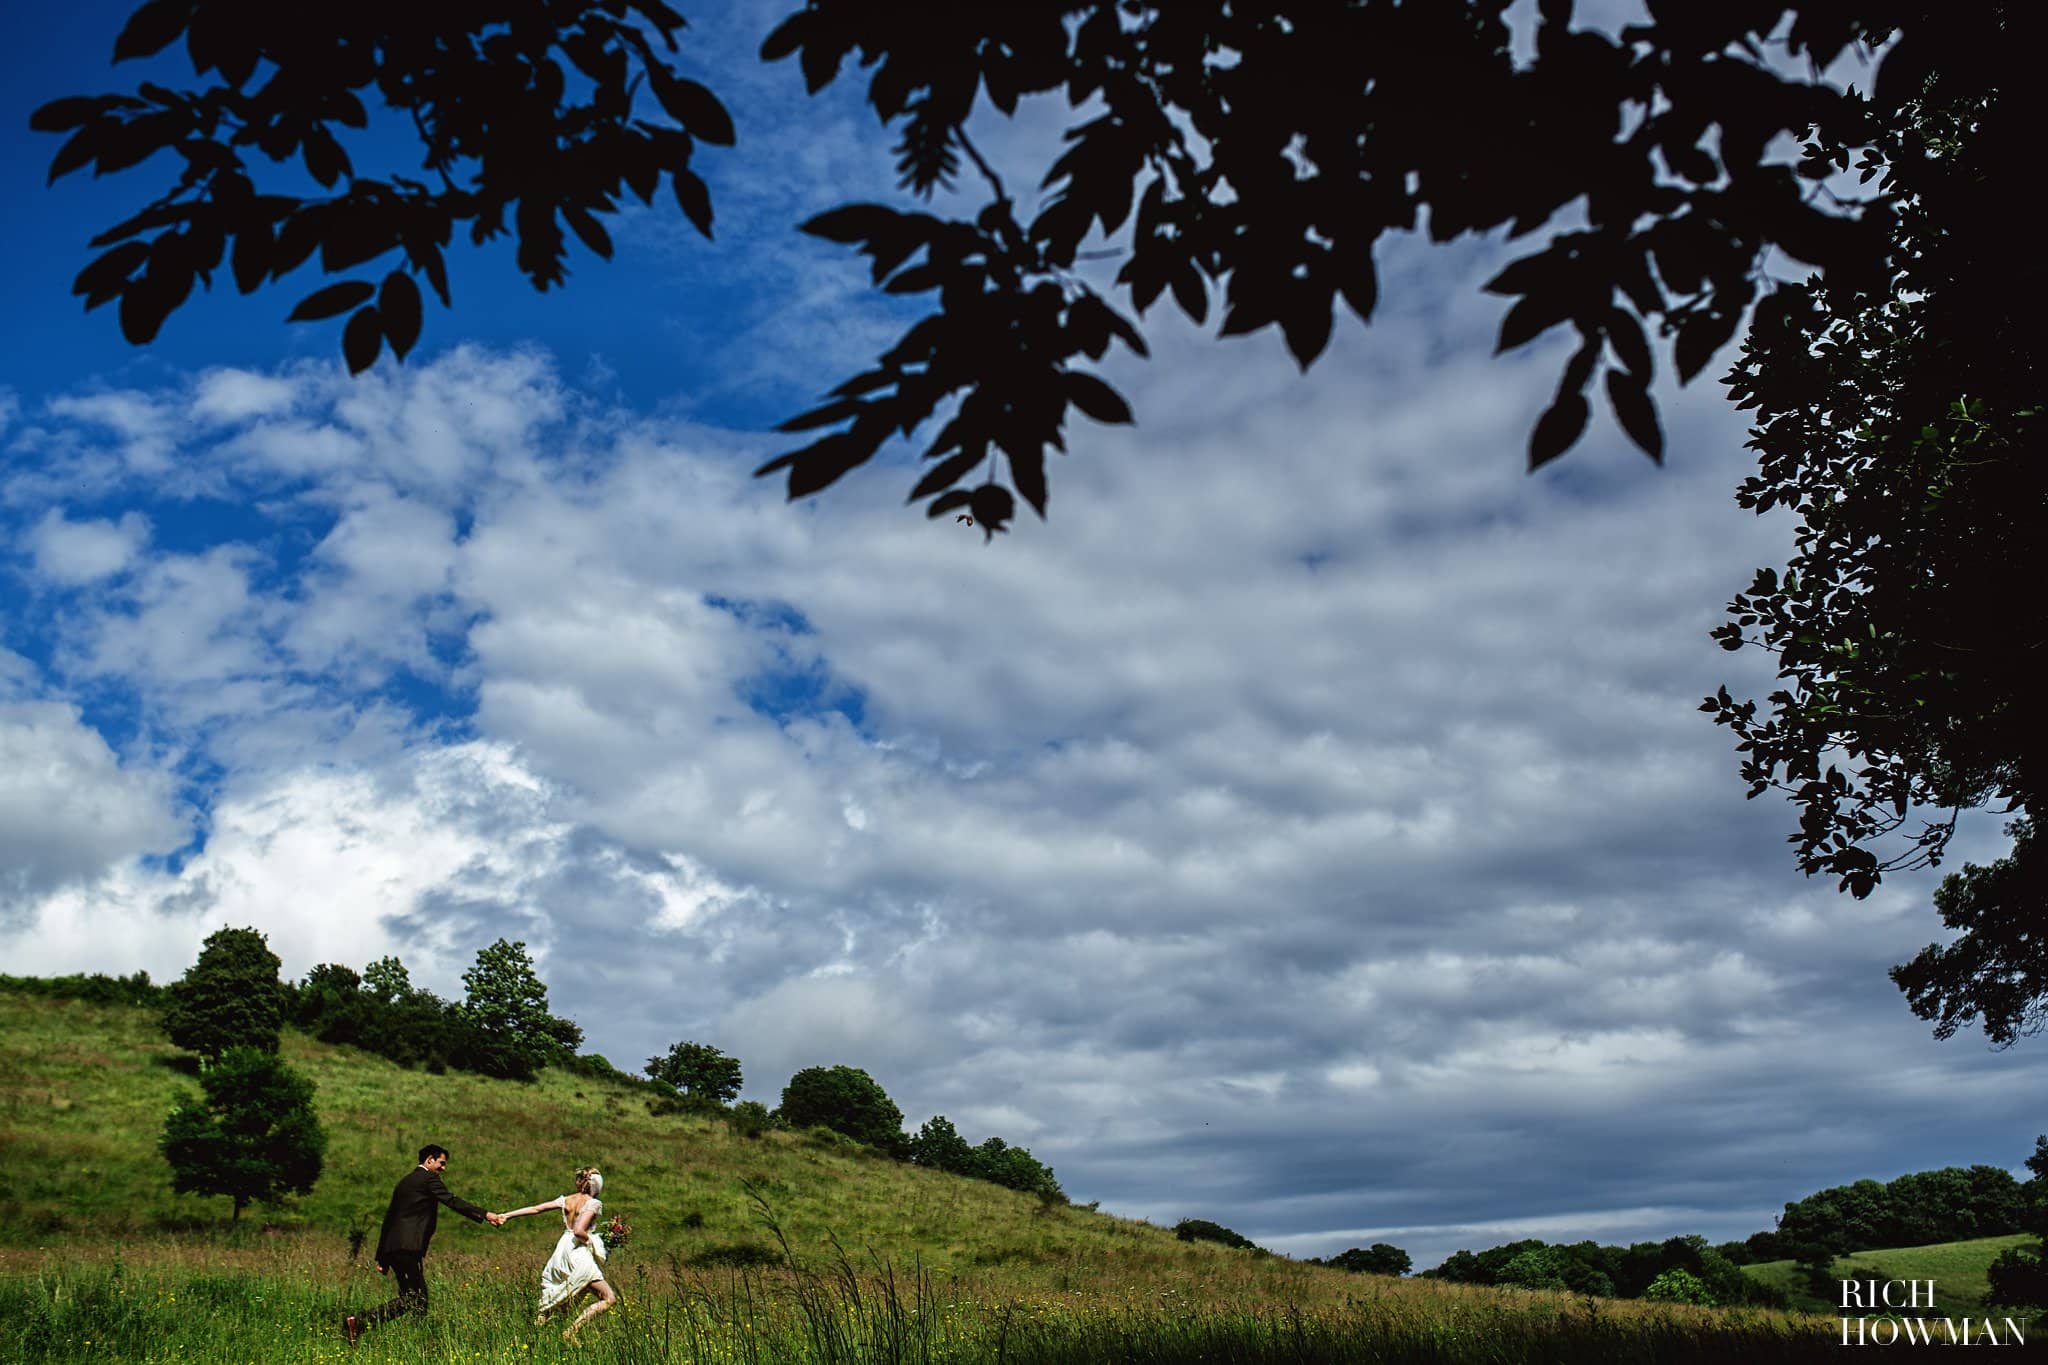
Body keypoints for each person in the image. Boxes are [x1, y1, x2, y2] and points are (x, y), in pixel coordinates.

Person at [344, 1144, 503, 1345]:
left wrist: (382, 1257)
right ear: (429, 1160)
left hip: (395, 1248)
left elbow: (389, 1219)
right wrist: (486, 1214)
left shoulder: (404, 1182)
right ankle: (360, 1323)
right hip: (408, 1248)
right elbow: (451, 1200)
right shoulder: (428, 1178)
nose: (443, 1168)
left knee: (414, 1298)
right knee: (416, 1298)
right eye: (441, 1163)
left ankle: (410, 1339)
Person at [495, 1166, 618, 1341]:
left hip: (563, 1249)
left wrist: (507, 1215)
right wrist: (594, 1241)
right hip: (578, 1251)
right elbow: (579, 1231)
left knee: (570, 1296)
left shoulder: (566, 1200)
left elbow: (536, 1208)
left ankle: (532, 1336)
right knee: (609, 1298)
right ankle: (571, 1332)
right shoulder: (593, 1203)